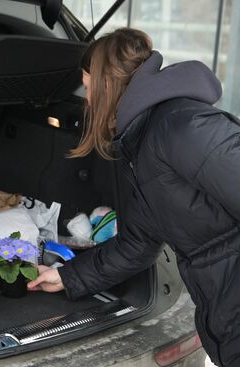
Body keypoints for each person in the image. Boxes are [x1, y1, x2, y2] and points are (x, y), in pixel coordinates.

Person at [26, 28, 240, 367]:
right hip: (222, 311)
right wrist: (68, 276)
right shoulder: (140, 144)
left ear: (108, 84)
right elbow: (137, 245)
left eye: (89, 87)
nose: (88, 100)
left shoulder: (182, 126)